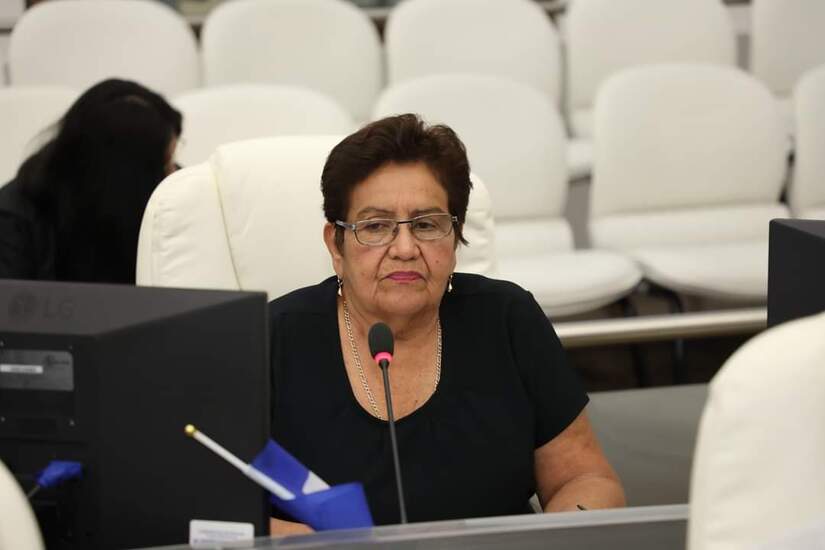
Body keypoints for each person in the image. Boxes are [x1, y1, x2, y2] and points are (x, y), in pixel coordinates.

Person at [268, 114, 625, 534]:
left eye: (425, 225)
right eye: (376, 226)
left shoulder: (506, 319)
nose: (405, 248)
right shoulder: (271, 340)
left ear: (455, 237)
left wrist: (555, 538)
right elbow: (219, 509)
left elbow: (585, 479)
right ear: (336, 244)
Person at [0, 79, 182, 283]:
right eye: (165, 164)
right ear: (123, 178)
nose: (175, 174)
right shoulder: (15, 224)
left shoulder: (173, 195)